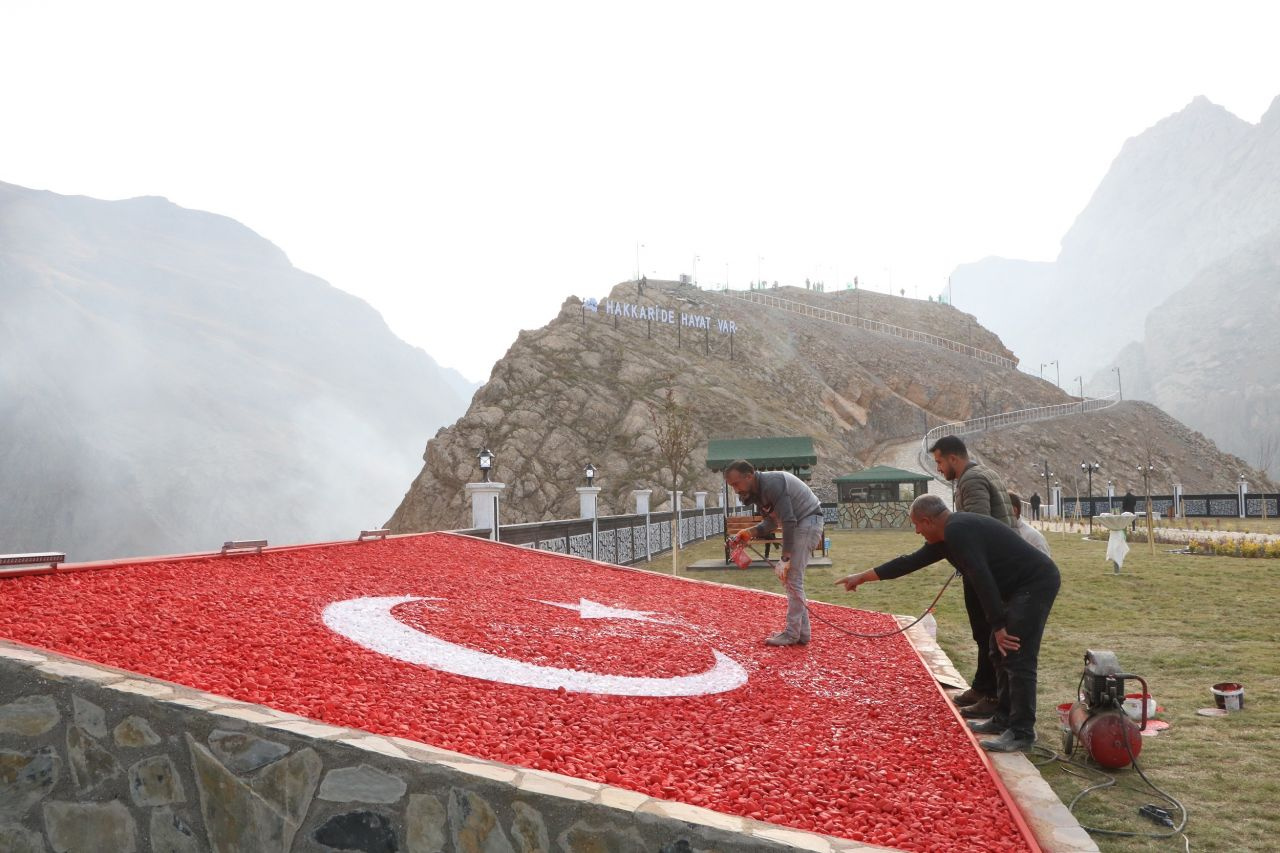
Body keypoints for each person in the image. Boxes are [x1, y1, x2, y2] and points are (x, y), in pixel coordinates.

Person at [835, 496, 1060, 752]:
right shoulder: (946, 537)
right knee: (998, 651)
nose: (917, 531)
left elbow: (981, 578)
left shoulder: (958, 531)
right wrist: (861, 577)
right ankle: (1003, 719)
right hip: (1018, 588)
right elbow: (908, 562)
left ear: (928, 521)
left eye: (917, 525)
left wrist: (998, 625)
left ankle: (1022, 732)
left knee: (1016, 652)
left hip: (1035, 584)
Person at [928, 435, 1014, 719]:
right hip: (993, 566)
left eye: (940, 461)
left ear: (954, 458)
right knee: (983, 633)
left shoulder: (971, 480)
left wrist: (965, 559)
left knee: (989, 633)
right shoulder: (984, 473)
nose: (939, 468)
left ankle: (992, 695)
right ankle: (982, 686)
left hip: (988, 569)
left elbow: (977, 529)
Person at [725, 459, 824, 646]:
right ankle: (802, 633)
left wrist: (785, 557)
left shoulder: (772, 484)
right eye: (732, 486)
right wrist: (748, 533)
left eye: (736, 484)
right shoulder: (759, 492)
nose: (736, 490)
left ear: (749, 475)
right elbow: (771, 523)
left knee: (793, 579)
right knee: (792, 581)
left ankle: (792, 634)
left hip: (808, 521)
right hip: (804, 522)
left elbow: (788, 520)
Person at [1008, 491, 1051, 556]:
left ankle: (1035, 518)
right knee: (1035, 513)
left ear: (1014, 511)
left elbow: (1045, 565)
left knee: (1035, 513)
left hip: (1035, 506)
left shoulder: (1034, 538)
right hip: (1035, 506)